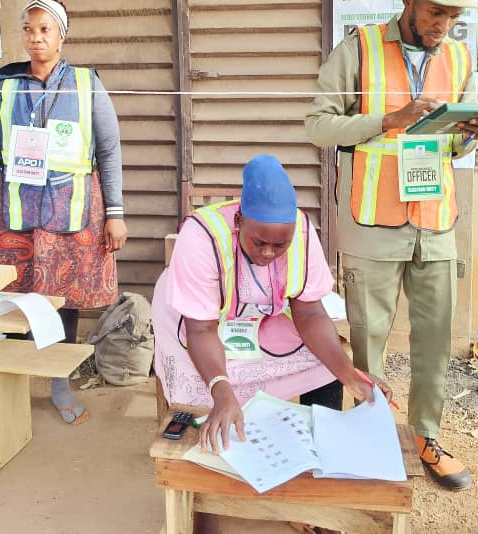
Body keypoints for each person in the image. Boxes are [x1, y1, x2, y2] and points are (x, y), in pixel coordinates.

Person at [305, 0, 478, 490]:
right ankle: (370, 432)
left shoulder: (458, 59)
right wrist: (388, 121)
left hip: (435, 219)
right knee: (369, 339)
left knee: (435, 338)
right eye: (436, 12)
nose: (443, 26)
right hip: (372, 222)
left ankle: (427, 437)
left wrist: (471, 133)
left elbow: (451, 139)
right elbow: (318, 126)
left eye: (454, 17)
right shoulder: (360, 48)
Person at [152, 154, 393, 534]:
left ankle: (313, 484)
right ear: (239, 221)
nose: (268, 253)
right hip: (195, 323)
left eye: (279, 246)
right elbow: (200, 331)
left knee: (322, 367)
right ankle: (201, 503)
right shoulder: (200, 238)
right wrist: (222, 389)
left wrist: (349, 374)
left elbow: (311, 315)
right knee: (202, 397)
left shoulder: (303, 233)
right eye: (258, 242)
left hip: (259, 318)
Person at [0, 0, 128, 425]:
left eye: (45, 30)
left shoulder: (85, 82)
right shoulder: (3, 84)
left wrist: (116, 212)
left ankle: (60, 381)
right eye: (29, 29)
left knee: (64, 297)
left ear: (61, 35)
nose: (36, 38)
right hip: (15, 212)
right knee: (15, 297)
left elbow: (108, 150)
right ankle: (15, 381)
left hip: (70, 213)